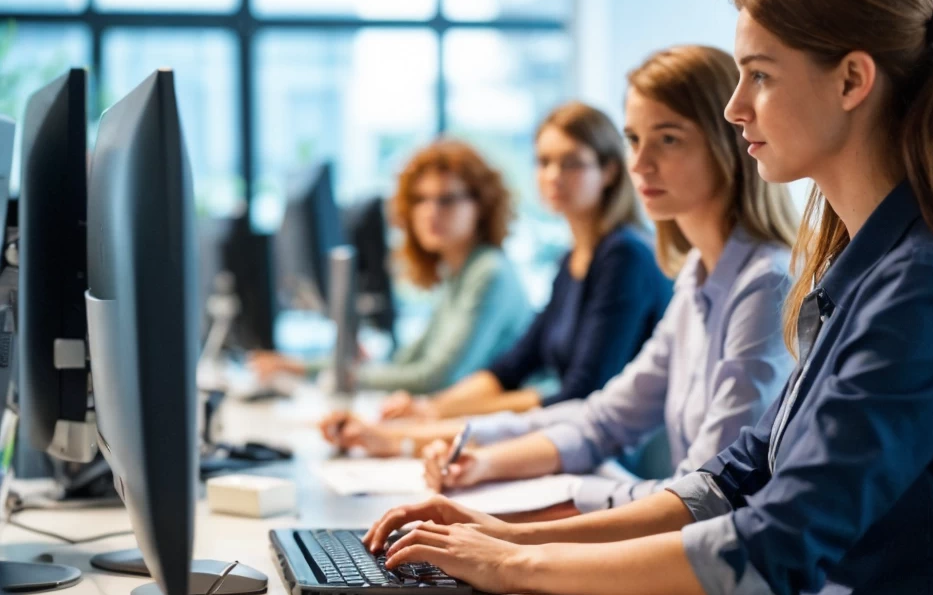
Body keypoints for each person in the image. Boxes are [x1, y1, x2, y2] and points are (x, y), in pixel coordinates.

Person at [363, 0, 933, 595]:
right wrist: (508, 537)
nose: (736, 108)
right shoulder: (862, 269)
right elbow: (732, 480)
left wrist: (513, 567)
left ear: (852, 80)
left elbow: (772, 549)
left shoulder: (926, 288)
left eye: (760, 77)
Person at [335, 46, 799, 515]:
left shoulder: (762, 285)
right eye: (634, 139)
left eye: (669, 139)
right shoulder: (697, 276)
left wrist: (522, 529)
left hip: (704, 546)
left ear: (730, 141)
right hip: (661, 515)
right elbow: (599, 418)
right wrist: (482, 461)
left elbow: (706, 495)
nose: (640, 164)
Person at [323, 101, 673, 446]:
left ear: (610, 171)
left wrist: (428, 423)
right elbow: (512, 367)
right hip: (570, 439)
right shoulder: (571, 261)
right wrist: (430, 408)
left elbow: (580, 394)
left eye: (571, 163)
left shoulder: (624, 256)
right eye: (544, 162)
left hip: (611, 456)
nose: (553, 176)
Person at [256, 139, 531, 394]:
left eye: (446, 199)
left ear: (481, 206)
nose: (430, 211)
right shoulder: (458, 273)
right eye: (419, 200)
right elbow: (406, 362)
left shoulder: (488, 272)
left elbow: (436, 378)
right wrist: (307, 367)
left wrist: (349, 376)